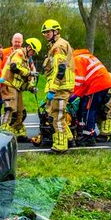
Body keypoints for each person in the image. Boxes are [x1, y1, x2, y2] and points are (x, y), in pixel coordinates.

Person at [37, 19, 74, 153]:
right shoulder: (55, 45)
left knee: (57, 117)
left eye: (48, 32)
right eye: (44, 32)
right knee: (58, 115)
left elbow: (60, 69)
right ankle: (69, 139)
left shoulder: (58, 46)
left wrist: (53, 89)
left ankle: (60, 147)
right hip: (60, 87)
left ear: (56, 31)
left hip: (60, 87)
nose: (46, 34)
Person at [71, 48, 111, 145]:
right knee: (91, 109)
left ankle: (88, 136)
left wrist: (72, 96)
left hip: (96, 84)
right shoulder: (85, 56)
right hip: (102, 83)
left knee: (88, 109)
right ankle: (90, 132)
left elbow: (79, 80)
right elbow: (84, 82)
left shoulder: (77, 59)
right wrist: (78, 95)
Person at [2, 38, 39, 141]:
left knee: (20, 112)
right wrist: (30, 73)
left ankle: (19, 133)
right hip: (9, 84)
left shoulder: (26, 60)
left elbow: (22, 82)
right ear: (29, 47)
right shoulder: (19, 53)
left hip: (17, 88)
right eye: (33, 52)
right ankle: (3, 132)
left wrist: (31, 88)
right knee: (10, 109)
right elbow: (14, 67)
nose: (33, 54)